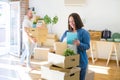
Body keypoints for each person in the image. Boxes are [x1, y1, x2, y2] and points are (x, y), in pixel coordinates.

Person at [60, 13, 90, 80]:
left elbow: (87, 46)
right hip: (68, 62)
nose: (71, 23)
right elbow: (60, 43)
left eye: (73, 21)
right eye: (69, 21)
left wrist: (79, 44)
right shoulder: (66, 32)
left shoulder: (84, 32)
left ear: (77, 20)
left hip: (80, 62)